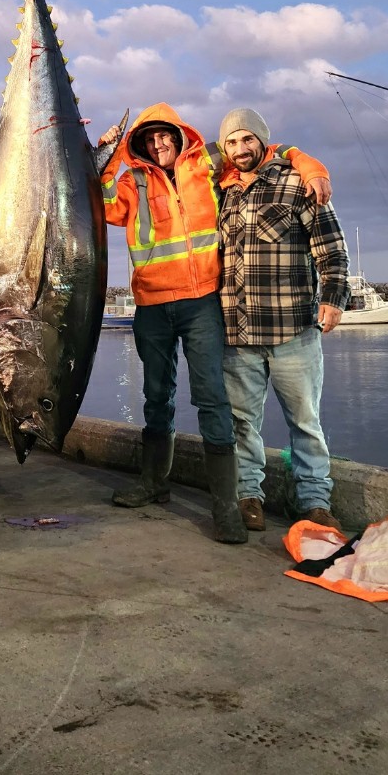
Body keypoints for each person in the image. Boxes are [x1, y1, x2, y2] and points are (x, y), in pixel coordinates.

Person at [99, 103, 330, 543]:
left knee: (212, 398)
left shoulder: (207, 164)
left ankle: (226, 506)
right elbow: (103, 202)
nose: (158, 143)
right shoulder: (133, 181)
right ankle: (154, 483)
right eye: (149, 139)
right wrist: (110, 152)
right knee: (155, 396)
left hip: (203, 301)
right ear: (140, 145)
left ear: (179, 135)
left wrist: (308, 162)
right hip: (151, 305)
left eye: (164, 135)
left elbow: (263, 150)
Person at [217, 108, 349, 532]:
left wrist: (333, 298)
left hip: (293, 330)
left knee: (305, 422)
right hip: (236, 334)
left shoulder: (297, 184)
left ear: (262, 142)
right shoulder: (221, 193)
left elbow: (331, 249)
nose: (240, 149)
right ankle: (248, 496)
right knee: (242, 424)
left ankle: (313, 501)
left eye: (247, 140)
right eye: (232, 142)